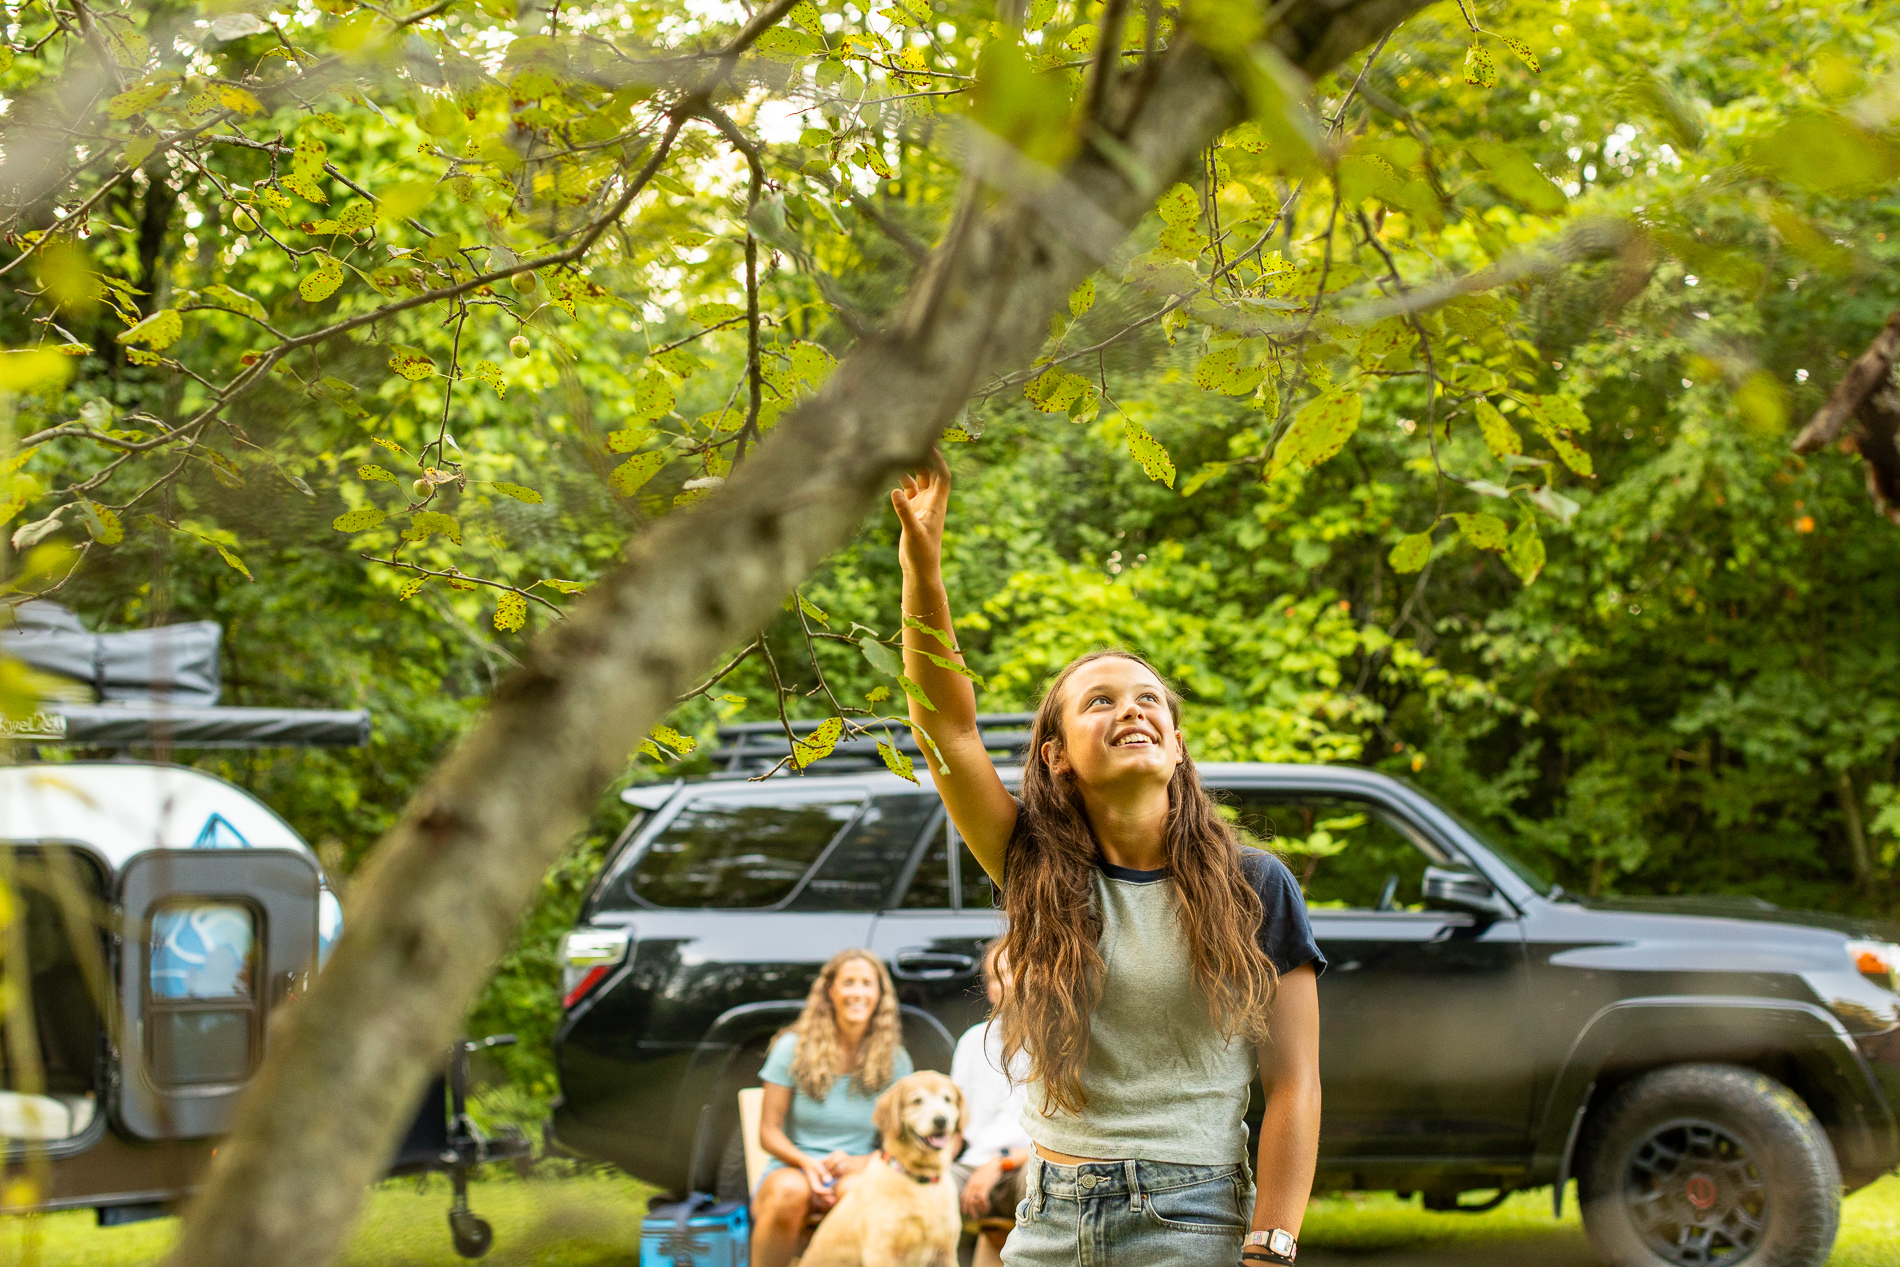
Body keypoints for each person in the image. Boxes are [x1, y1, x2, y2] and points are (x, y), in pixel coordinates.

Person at [891, 450, 1325, 1267]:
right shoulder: (1033, 864)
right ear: (1057, 756)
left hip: (1192, 1216)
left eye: (1148, 699)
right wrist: (922, 564)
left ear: (1175, 742)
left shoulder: (1255, 884)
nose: (1131, 708)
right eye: (1101, 700)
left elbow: (1295, 1083)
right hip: (1050, 1218)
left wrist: (1271, 1246)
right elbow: (944, 728)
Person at [752, 949, 914, 1267]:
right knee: (790, 1192)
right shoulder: (792, 1048)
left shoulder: (895, 1060)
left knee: (860, 1195)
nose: (857, 992)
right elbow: (768, 1132)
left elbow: (901, 1141)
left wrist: (863, 1161)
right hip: (793, 1168)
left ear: (879, 995)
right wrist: (806, 1163)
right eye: (848, 983)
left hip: (859, 1169)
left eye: (866, 984)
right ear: (831, 992)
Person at [950, 939, 1032, 1267]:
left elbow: (1065, 1137)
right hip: (970, 1168)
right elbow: (957, 1128)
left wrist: (1000, 1163)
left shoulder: (1058, 1041)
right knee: (913, 1188)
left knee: (1041, 1179)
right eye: (993, 978)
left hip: (1025, 1167)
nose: (1004, 984)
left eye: (1012, 972)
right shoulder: (973, 1040)